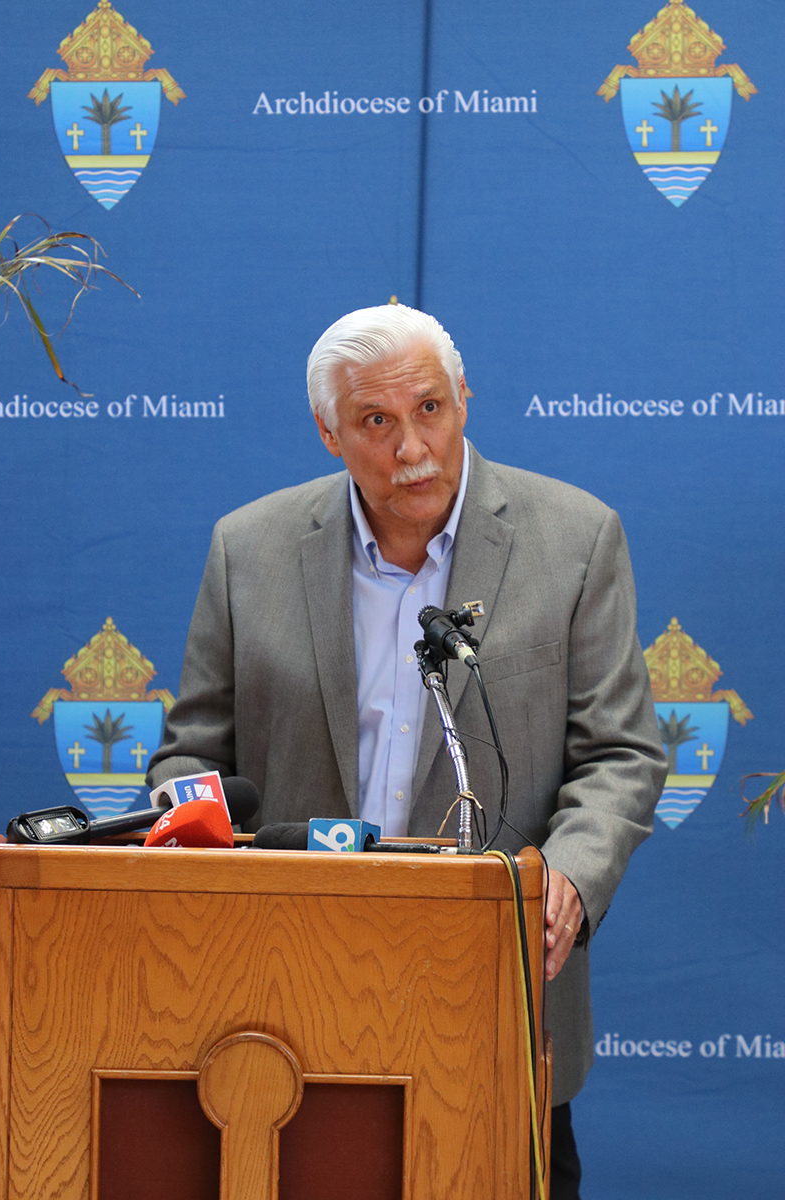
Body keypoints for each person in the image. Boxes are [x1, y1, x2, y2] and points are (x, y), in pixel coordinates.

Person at [148, 303, 667, 1198]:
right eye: (376, 423)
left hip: (492, 998)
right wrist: (185, 817)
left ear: (464, 397)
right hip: (284, 1003)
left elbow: (621, 752)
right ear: (328, 431)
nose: (411, 448)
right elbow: (189, 752)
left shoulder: (575, 541)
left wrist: (570, 878)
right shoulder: (249, 550)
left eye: (429, 409)